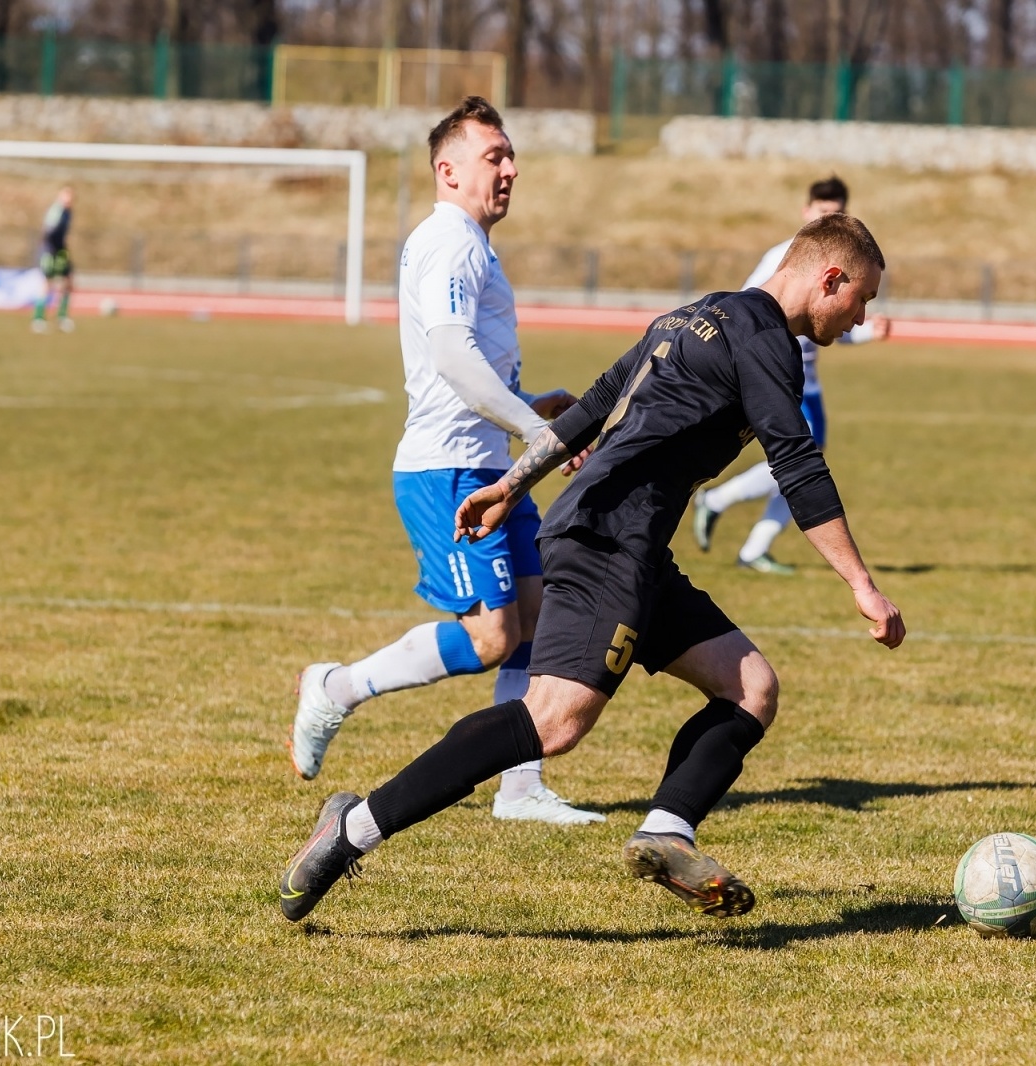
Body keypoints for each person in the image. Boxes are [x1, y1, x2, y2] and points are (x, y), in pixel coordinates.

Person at [279, 211, 906, 923]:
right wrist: (862, 585)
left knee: (750, 688)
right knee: (554, 722)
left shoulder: (693, 315)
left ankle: (668, 831)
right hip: (608, 540)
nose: (858, 319)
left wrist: (511, 485)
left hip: (629, 541)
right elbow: (796, 463)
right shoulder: (767, 341)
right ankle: (353, 829)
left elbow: (594, 406)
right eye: (862, 300)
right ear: (831, 277)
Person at [289, 97, 602, 827]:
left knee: (536, 617)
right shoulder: (450, 241)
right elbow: (451, 353)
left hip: (491, 465)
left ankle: (520, 788)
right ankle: (336, 687)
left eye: (511, 156)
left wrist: (531, 404)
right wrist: (536, 430)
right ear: (448, 169)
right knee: (494, 636)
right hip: (449, 470)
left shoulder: (470, 244)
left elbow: (464, 364)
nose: (511, 169)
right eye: (495, 157)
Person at [692, 176, 891, 575]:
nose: (829, 219)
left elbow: (830, 324)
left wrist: (867, 333)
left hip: (810, 384)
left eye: (837, 214)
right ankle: (718, 503)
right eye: (822, 213)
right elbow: (751, 310)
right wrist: (772, 359)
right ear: (807, 213)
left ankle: (754, 547)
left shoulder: (846, 266)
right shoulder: (787, 255)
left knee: (807, 462)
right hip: (782, 376)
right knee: (801, 462)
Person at [32, 187, 74, 334]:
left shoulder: (69, 212)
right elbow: (47, 231)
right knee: (47, 283)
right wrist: (47, 250)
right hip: (50, 251)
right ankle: (38, 318)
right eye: (66, 196)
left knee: (68, 282)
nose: (68, 199)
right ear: (60, 197)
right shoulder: (56, 211)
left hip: (61, 251)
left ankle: (62, 317)